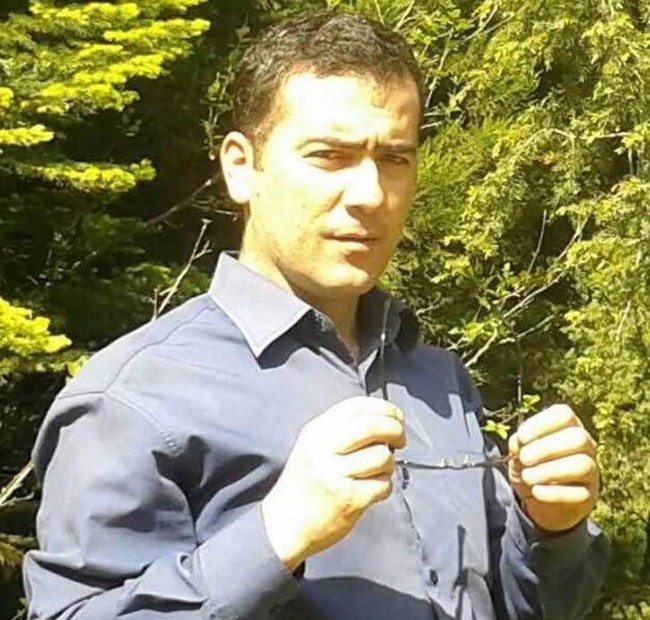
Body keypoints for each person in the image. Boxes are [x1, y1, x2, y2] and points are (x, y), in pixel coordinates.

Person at [23, 11, 608, 620]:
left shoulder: (437, 382)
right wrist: (275, 536)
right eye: (330, 156)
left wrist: (552, 527)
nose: (371, 195)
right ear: (241, 167)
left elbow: (526, 604)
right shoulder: (133, 400)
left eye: (395, 158)